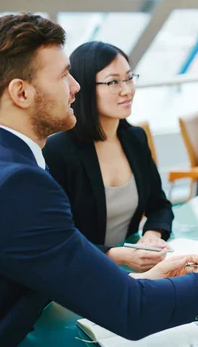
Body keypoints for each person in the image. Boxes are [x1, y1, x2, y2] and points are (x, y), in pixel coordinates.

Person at [0, 13, 198, 346]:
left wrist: (146, 281)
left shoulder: (17, 166)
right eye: (63, 76)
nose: (75, 87)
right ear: (21, 93)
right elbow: (132, 310)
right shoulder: (20, 184)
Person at [43, 41, 173, 272]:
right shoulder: (58, 150)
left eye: (129, 78)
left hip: (130, 268)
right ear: (82, 87)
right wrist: (116, 255)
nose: (127, 90)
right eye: (113, 82)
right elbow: (57, 238)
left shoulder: (135, 138)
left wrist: (152, 235)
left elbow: (160, 205)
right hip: (79, 272)